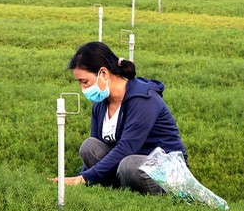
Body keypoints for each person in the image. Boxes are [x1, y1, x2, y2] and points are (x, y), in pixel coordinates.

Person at [56, 41, 186, 195]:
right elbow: (98, 146)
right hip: (127, 164)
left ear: (103, 73)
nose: (83, 89)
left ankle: (162, 201)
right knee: (89, 147)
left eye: (85, 82)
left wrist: (82, 179)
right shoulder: (100, 104)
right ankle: (118, 194)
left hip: (165, 170)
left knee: (129, 166)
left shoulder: (143, 99)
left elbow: (127, 148)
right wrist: (79, 177)